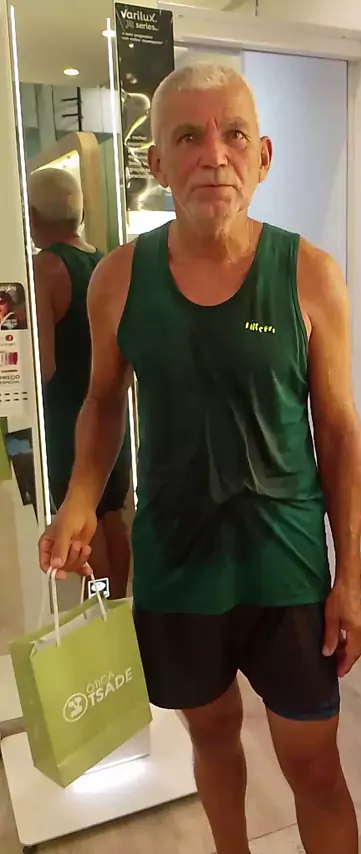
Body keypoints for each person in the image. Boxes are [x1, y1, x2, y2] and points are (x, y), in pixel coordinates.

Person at [38, 63, 361, 854]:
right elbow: (101, 402)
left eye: (234, 135)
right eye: (188, 137)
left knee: (314, 766)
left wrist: (350, 577)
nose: (214, 155)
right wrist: (80, 497)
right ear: (157, 161)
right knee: (213, 739)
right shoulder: (118, 279)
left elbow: (340, 432)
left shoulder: (310, 274)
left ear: (263, 157)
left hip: (287, 569)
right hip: (178, 566)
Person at [30, 167, 131, 599]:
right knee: (111, 515)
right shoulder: (105, 263)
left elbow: (43, 364)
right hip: (112, 413)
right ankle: (119, 602)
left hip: (69, 418)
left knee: (80, 524)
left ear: (33, 216)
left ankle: (101, 606)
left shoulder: (45, 268)